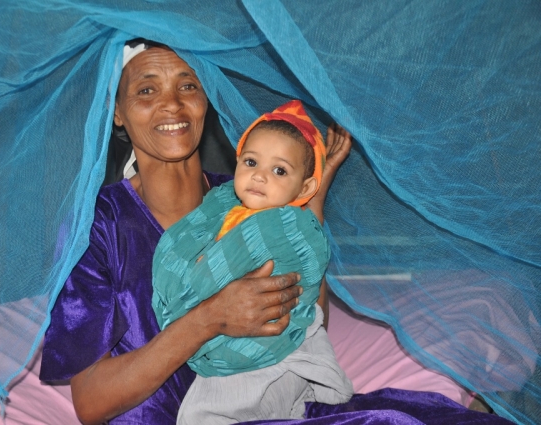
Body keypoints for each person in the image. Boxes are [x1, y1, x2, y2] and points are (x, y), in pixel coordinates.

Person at [40, 39, 514, 425]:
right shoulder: (96, 230)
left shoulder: (251, 194)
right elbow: (91, 403)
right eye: (146, 90)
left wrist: (309, 209)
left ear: (206, 100)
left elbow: (308, 318)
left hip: (282, 405)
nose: (172, 103)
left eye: (188, 85)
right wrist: (208, 319)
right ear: (117, 112)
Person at [152, 100, 353, 424]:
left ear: (304, 188)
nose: (259, 177)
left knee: (207, 412)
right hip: (230, 337)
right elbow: (210, 261)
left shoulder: (286, 225)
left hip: (275, 341)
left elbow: (307, 255)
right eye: (251, 162)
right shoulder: (223, 210)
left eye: (279, 170)